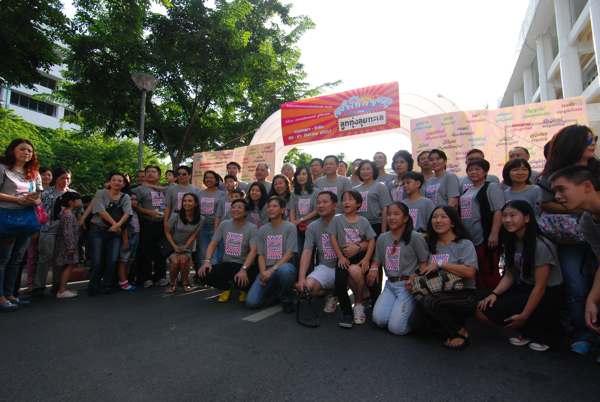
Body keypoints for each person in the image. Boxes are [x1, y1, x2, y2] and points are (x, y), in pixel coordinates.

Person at [538, 124, 598, 355]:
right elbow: (545, 203)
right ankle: (584, 334)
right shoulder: (552, 174)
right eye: (588, 140)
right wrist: (579, 208)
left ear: (588, 186)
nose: (593, 144)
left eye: (594, 139)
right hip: (570, 240)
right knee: (577, 287)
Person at [477, 200, 564, 351]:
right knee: (482, 302)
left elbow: (540, 287)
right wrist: (494, 294)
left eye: (513, 215)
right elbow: (510, 274)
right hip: (525, 287)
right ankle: (527, 329)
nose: (507, 220)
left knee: (498, 309)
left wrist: (524, 315)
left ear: (527, 218)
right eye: (504, 216)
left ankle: (539, 331)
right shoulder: (512, 241)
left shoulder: (540, 245)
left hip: (548, 293)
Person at [550, 165, 600, 360]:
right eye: (555, 191)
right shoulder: (587, 221)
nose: (557, 196)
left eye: (562, 189)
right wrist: (592, 299)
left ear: (587, 186)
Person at [412, 206, 478, 350]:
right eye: (435, 217)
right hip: (435, 290)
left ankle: (459, 332)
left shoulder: (464, 244)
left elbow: (470, 272)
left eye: (443, 217)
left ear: (453, 222)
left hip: (463, 293)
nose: (438, 220)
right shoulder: (430, 244)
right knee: (417, 326)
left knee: (431, 301)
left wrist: (441, 264)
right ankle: (444, 324)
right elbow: (424, 268)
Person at [370, 202, 429, 335]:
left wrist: (416, 276)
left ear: (406, 218)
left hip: (407, 285)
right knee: (379, 320)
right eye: (389, 214)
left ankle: (416, 317)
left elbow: (424, 263)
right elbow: (376, 260)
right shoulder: (382, 238)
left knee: (396, 329)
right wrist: (373, 269)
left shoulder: (415, 237)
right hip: (390, 285)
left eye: (396, 214)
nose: (391, 217)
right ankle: (399, 311)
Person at [0, 139, 42, 311]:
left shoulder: (34, 173)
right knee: (3, 258)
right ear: (12, 150)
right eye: (22, 149)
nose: (26, 153)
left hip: (26, 218)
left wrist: (33, 199)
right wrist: (16, 199)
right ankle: (1, 297)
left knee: (17, 259)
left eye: (30, 151)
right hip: (6, 216)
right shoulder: (2, 168)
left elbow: (39, 198)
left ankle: (10, 294)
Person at [330, 190, 376, 328]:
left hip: (360, 256)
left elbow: (372, 240)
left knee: (358, 275)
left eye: (350, 199)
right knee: (339, 282)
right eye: (344, 199)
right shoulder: (337, 219)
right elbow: (333, 238)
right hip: (343, 257)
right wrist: (340, 257)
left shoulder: (363, 221)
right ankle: (347, 313)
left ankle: (359, 304)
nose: (346, 202)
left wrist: (367, 259)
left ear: (358, 204)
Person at [199, 199, 258, 303]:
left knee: (246, 279)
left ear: (246, 212)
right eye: (233, 207)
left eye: (239, 207)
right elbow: (213, 244)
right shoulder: (224, 224)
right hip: (227, 263)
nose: (236, 209)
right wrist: (207, 261)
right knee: (203, 273)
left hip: (244, 265)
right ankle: (226, 288)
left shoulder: (252, 228)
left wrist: (244, 269)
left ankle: (243, 289)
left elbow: (253, 251)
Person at [246, 196, 298, 312]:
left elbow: (289, 254)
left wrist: (272, 270)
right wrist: (263, 273)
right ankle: (276, 294)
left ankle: (286, 298)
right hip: (267, 269)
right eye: (269, 207)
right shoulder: (262, 229)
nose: (271, 209)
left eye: (275, 206)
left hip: (283, 267)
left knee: (285, 271)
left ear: (282, 210)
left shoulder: (290, 227)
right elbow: (260, 255)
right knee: (251, 302)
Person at [459, 159, 504, 289]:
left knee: (488, 270)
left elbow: (498, 211)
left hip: (485, 237)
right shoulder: (467, 191)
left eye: (477, 169)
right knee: (476, 271)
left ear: (485, 172)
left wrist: (494, 234)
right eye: (470, 170)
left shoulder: (491, 187)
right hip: (470, 238)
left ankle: (492, 296)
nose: (473, 172)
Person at [88, 172, 132, 296]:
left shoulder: (125, 197)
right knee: (97, 260)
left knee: (112, 260)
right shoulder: (100, 193)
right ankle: (93, 286)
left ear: (123, 184)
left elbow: (127, 213)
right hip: (98, 230)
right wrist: (115, 224)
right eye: (114, 180)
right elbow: (100, 210)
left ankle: (107, 285)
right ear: (110, 182)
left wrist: (117, 226)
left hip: (115, 232)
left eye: (120, 181)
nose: (117, 182)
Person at [296, 191, 339, 313]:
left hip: (345, 267)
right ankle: (332, 294)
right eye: (318, 203)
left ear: (334, 205)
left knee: (355, 273)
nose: (321, 205)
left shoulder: (343, 220)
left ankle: (359, 302)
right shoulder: (312, 226)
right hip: (325, 267)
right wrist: (301, 278)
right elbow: (307, 251)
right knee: (307, 287)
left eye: (325, 202)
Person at [32, 167, 73, 296]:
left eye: (68, 178)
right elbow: (37, 211)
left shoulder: (73, 194)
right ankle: (39, 287)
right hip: (47, 229)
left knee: (60, 260)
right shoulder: (46, 193)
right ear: (56, 179)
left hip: (65, 233)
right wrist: (36, 228)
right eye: (62, 178)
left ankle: (57, 285)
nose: (65, 181)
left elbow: (79, 213)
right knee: (44, 258)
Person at [133, 165, 168, 288]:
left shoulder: (165, 189)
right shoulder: (139, 190)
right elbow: (134, 206)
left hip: (162, 224)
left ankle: (161, 277)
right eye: (148, 171)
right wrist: (149, 212)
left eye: (153, 172)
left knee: (161, 251)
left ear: (159, 175)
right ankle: (145, 278)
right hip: (146, 223)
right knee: (145, 251)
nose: (150, 174)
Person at [164, 193, 203, 294]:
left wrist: (185, 246)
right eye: (184, 201)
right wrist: (175, 246)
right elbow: (167, 232)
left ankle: (185, 283)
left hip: (187, 246)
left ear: (195, 203)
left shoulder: (201, 219)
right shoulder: (175, 215)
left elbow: (194, 235)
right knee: (175, 262)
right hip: (172, 244)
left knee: (184, 260)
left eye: (190, 201)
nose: (186, 203)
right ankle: (172, 284)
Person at [24, 167, 52, 290]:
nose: (46, 177)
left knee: (44, 257)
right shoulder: (33, 191)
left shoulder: (54, 191)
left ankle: (39, 283)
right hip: (34, 226)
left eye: (49, 175)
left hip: (49, 228)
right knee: (32, 255)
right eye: (44, 174)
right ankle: (30, 283)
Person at [53, 191, 83, 299]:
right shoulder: (68, 215)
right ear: (71, 202)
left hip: (64, 244)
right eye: (78, 200)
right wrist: (71, 247)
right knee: (69, 265)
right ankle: (62, 290)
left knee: (66, 265)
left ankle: (62, 288)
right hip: (67, 245)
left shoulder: (66, 213)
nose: (80, 202)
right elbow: (68, 232)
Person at [353, 159, 393, 234]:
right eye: (362, 169)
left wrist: (383, 231)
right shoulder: (355, 189)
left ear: (373, 171)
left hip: (377, 224)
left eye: (368, 169)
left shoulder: (380, 186)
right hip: (360, 225)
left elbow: (385, 209)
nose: (365, 171)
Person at [196, 170, 225, 267]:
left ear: (216, 180)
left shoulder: (222, 194)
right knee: (203, 252)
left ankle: (215, 273)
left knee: (216, 253)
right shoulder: (200, 193)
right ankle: (203, 274)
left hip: (216, 226)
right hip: (202, 227)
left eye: (211, 177)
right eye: (206, 178)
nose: (209, 179)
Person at [289, 166, 318, 253]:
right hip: (297, 228)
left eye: (304, 174)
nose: (301, 176)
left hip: (311, 227)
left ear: (308, 176)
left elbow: (316, 210)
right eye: (298, 174)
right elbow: (292, 210)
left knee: (309, 252)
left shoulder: (316, 192)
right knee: (298, 252)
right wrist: (293, 223)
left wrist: (301, 220)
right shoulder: (293, 193)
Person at [116, 192, 139, 291]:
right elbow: (124, 227)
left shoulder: (135, 211)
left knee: (130, 260)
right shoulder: (126, 212)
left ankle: (126, 280)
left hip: (136, 236)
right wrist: (125, 241)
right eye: (131, 199)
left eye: (135, 199)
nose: (134, 201)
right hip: (128, 237)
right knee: (123, 260)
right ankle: (123, 281)